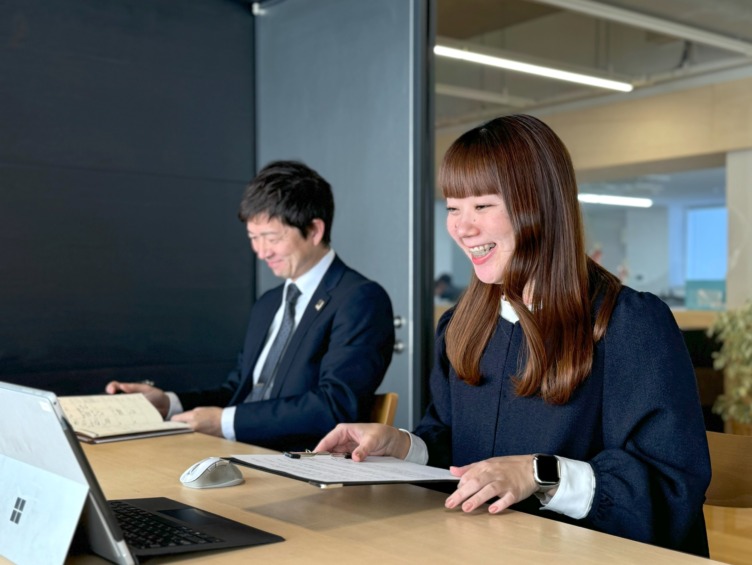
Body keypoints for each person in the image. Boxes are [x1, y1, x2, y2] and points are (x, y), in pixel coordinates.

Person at [315, 115, 710, 556]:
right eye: (452, 208)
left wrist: (539, 474)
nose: (462, 227)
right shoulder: (463, 325)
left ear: (541, 205)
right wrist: (403, 446)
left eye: (482, 206)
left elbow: (670, 487)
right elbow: (456, 447)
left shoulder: (629, 324)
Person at [107, 160, 395, 451]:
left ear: (314, 230)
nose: (261, 252)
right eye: (253, 238)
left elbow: (335, 405)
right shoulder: (268, 304)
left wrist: (224, 423)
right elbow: (237, 392)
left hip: (300, 464)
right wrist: (169, 403)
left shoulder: (360, 299)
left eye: (271, 238)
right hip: (238, 454)